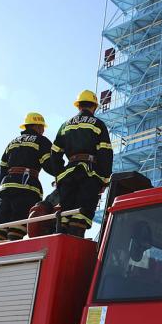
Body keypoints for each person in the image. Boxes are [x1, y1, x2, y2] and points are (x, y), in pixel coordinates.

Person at [50, 90, 113, 237]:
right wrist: (104, 178)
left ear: (78, 106)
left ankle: (61, 240)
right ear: (94, 107)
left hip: (68, 174)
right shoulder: (98, 124)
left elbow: (55, 153)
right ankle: (74, 241)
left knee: (65, 214)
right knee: (82, 213)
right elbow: (105, 152)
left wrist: (59, 175)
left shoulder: (65, 125)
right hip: (89, 174)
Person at [0, 113, 55, 241]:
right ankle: (13, 249)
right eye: (42, 127)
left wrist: (2, 188)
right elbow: (49, 164)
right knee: (18, 225)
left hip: (6, 187)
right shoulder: (41, 140)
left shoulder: (12, 143)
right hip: (26, 187)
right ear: (37, 126)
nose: (43, 131)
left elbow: (2, 167)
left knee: (1, 226)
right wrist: (63, 175)